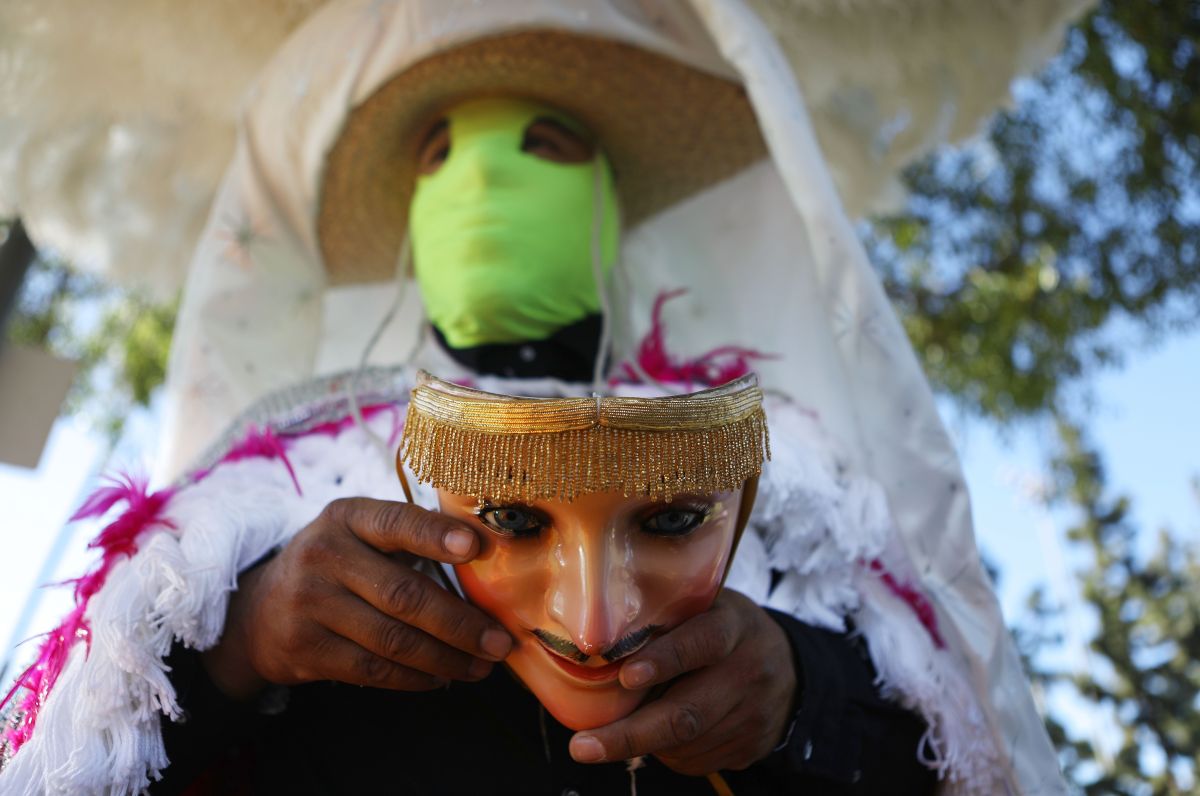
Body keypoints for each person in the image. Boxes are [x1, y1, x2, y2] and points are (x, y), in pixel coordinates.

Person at [0, 3, 1064, 795]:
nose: (486, 181)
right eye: (440, 155)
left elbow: (948, 745)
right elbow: (84, 753)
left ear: (606, 196)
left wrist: (795, 690)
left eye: (541, 145)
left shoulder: (791, 470)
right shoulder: (266, 487)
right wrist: (248, 638)